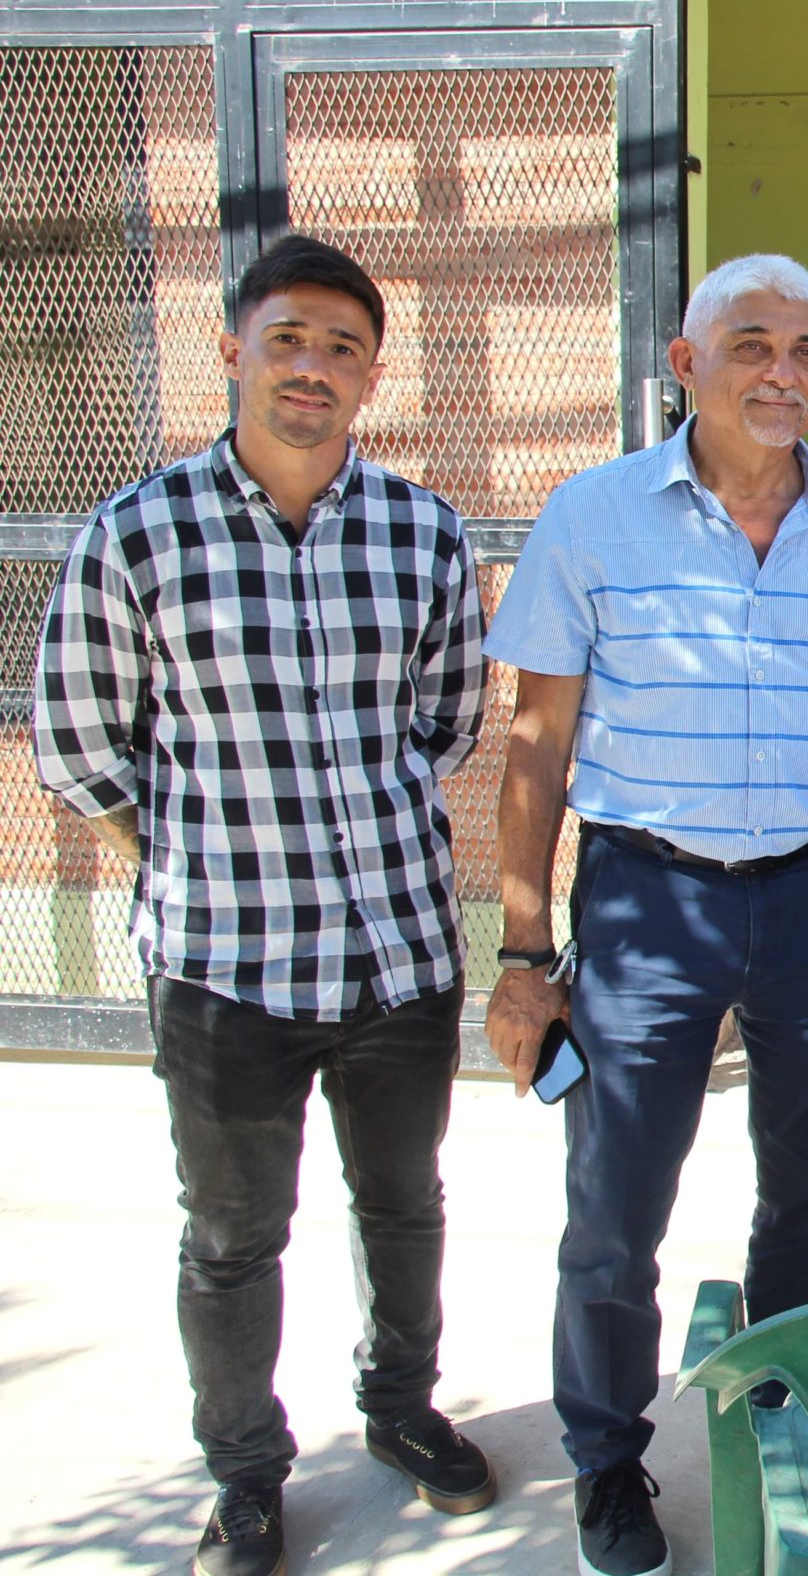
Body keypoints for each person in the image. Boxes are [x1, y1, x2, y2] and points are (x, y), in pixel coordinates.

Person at [32, 235, 491, 1576]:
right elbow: (78, 739)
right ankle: (244, 1473)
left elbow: (449, 721)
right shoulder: (138, 532)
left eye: (343, 347)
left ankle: (401, 1413)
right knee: (233, 1237)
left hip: (399, 952)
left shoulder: (423, 531)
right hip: (225, 967)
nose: (314, 366)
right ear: (233, 349)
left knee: (403, 1202)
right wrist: (177, 846)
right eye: (289, 338)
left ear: (372, 377)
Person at [482, 254, 808, 1576]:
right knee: (617, 1201)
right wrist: (522, 952)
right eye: (751, 345)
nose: (784, 373)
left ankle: (784, 1412)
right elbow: (536, 739)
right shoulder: (595, 514)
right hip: (646, 896)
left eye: (804, 349)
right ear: (686, 366)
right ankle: (607, 1462)